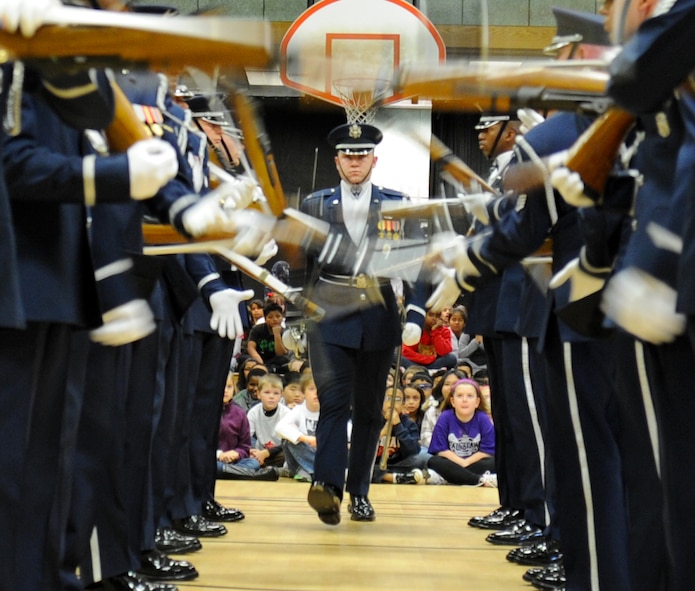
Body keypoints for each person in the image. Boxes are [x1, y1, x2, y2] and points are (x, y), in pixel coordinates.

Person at [299, 121, 428, 525]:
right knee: (334, 404)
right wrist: (292, 315)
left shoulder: (396, 204)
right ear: (337, 161)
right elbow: (303, 267)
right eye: (348, 156)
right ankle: (328, 489)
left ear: (374, 159)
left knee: (371, 412)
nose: (355, 163)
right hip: (329, 312)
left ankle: (359, 492)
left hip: (377, 311)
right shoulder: (316, 205)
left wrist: (417, 314)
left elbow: (417, 264)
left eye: (362, 155)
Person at [427, 379, 496, 486]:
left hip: (475, 463)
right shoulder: (445, 417)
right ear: (453, 401)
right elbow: (441, 450)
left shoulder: (483, 418)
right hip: (452, 462)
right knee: (434, 461)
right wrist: (461, 462)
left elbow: (487, 451)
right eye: (459, 396)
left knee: (495, 462)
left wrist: (466, 463)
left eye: (470, 396)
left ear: (477, 402)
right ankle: (480, 480)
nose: (464, 400)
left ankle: (451, 477)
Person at [217, 372, 278, 481]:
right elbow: (198, 444)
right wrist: (219, 454)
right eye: (221, 385)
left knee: (253, 463)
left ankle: (227, 472)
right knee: (208, 465)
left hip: (235, 460)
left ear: (234, 388)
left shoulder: (240, 413)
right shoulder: (204, 412)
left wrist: (236, 453)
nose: (225, 390)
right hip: (213, 459)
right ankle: (253, 475)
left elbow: (245, 447)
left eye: (229, 386)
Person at [371, 388, 430, 485]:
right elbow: (364, 450)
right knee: (358, 463)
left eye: (397, 400)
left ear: (403, 405)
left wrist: (398, 425)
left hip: (400, 465)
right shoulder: (373, 421)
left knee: (422, 458)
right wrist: (383, 432)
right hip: (375, 464)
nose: (392, 403)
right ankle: (395, 478)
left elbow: (413, 451)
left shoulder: (409, 424)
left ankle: (389, 476)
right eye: (388, 398)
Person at [275, 372, 320, 481]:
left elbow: (348, 433)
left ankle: (305, 471)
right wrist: (305, 438)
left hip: (324, 454)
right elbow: (279, 428)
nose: (316, 393)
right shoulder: (299, 410)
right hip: (304, 452)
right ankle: (316, 472)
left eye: (320, 388)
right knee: (288, 440)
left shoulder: (330, 410)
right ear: (303, 393)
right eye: (311, 389)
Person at [246, 374, 289, 469]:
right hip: (259, 452)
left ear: (282, 395)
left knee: (288, 456)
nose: (271, 396)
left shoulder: (286, 413)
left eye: (276, 393)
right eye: (267, 392)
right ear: (258, 394)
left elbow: (288, 442)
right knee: (246, 457)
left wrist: (267, 453)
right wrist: (253, 452)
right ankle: (262, 466)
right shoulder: (253, 412)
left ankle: (269, 468)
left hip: (279, 452)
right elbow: (246, 438)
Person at [420, 369, 467, 449]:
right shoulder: (432, 411)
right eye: (447, 384)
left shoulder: (475, 411)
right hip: (439, 451)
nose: (450, 388)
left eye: (455, 384)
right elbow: (426, 437)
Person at [246, 301, 291, 373]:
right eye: (270, 317)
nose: (275, 319)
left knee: (284, 360)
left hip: (275, 361)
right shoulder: (257, 329)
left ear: (282, 317)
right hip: (259, 358)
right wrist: (261, 363)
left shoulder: (285, 332)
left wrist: (277, 335)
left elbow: (281, 354)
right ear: (265, 319)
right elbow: (251, 348)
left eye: (278, 316)